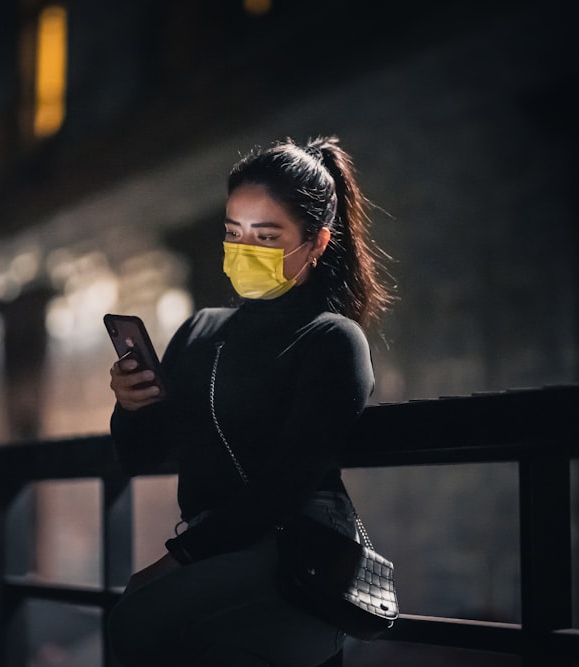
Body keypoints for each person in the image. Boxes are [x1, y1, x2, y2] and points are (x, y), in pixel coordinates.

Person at [106, 135, 394, 666]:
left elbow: (288, 484)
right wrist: (130, 405)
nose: (245, 250)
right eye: (233, 232)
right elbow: (141, 455)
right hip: (215, 544)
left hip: (294, 547)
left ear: (317, 242)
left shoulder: (332, 339)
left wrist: (179, 559)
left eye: (266, 236)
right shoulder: (199, 331)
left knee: (138, 622)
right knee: (141, 625)